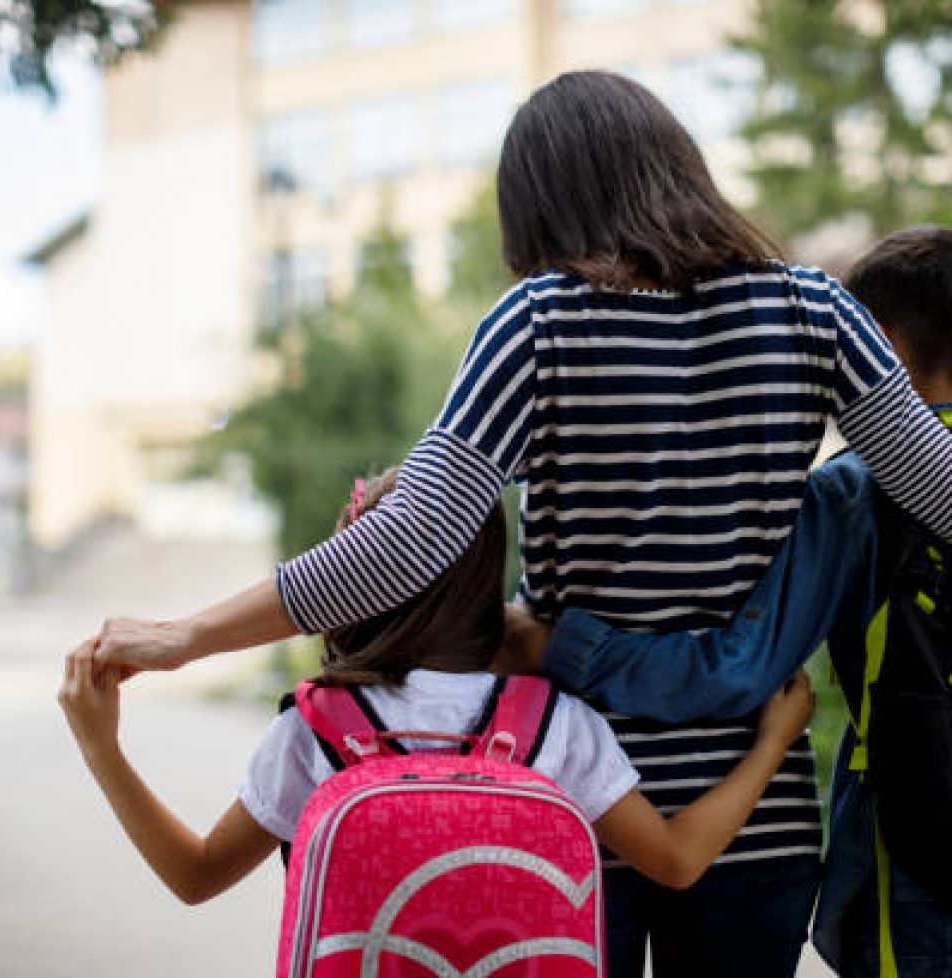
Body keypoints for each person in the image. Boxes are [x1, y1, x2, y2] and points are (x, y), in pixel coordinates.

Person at [91, 73, 952, 975]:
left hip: (568, 800)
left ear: (540, 204)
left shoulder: (539, 324)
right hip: (756, 814)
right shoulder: (817, 312)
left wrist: (187, 634)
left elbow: (405, 543)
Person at [58, 470, 815, 923]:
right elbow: (678, 862)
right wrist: (772, 745)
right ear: (490, 584)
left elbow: (194, 877)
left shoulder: (316, 731)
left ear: (347, 586)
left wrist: (101, 747)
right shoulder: (554, 726)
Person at [504, 225, 952, 976]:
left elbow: (735, 669)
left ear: (876, 344)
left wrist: (555, 646)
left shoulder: (859, 495)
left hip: (916, 850)